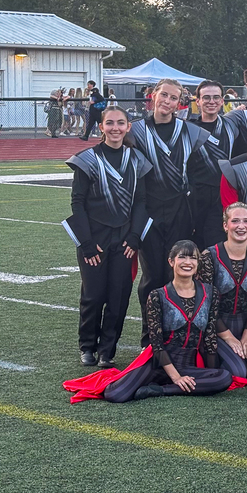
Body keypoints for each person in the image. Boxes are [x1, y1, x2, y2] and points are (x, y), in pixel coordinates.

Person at [126, 78, 211, 347]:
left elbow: (202, 175)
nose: (167, 101)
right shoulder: (134, 132)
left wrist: (197, 216)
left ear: (179, 103)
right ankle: (149, 336)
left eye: (174, 98)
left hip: (179, 209)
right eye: (164, 95)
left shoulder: (190, 131)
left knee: (179, 274)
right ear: (153, 95)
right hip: (148, 210)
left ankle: (176, 334)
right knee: (152, 275)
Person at [65, 106, 151, 368]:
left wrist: (135, 236)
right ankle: (87, 346)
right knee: (93, 295)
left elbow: (141, 202)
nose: (115, 128)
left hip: (124, 240)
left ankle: (107, 350)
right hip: (95, 240)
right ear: (101, 127)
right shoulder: (87, 159)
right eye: (110, 123)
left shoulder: (136, 159)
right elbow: (77, 203)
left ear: (128, 127)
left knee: (119, 296)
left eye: (121, 123)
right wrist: (86, 244)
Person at [100, 240, 235, 402]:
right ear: (171, 261)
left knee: (224, 378)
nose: (188, 262)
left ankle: (161, 390)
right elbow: (156, 344)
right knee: (114, 394)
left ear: (198, 263)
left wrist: (210, 371)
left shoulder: (210, 293)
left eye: (193, 258)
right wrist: (176, 377)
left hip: (188, 365)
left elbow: (210, 337)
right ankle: (173, 382)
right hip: (159, 364)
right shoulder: (157, 296)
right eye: (182, 257)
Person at [198, 202, 247, 383]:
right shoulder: (209, 256)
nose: (241, 226)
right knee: (238, 373)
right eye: (235, 221)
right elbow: (205, 303)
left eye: (246, 221)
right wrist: (229, 338)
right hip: (216, 326)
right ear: (225, 225)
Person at [188, 80, 242, 249]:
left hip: (223, 195)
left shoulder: (232, 126)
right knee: (194, 246)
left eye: (216, 97)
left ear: (221, 101)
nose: (211, 101)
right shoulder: (188, 129)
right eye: (206, 97)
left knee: (218, 246)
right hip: (196, 196)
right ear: (198, 101)